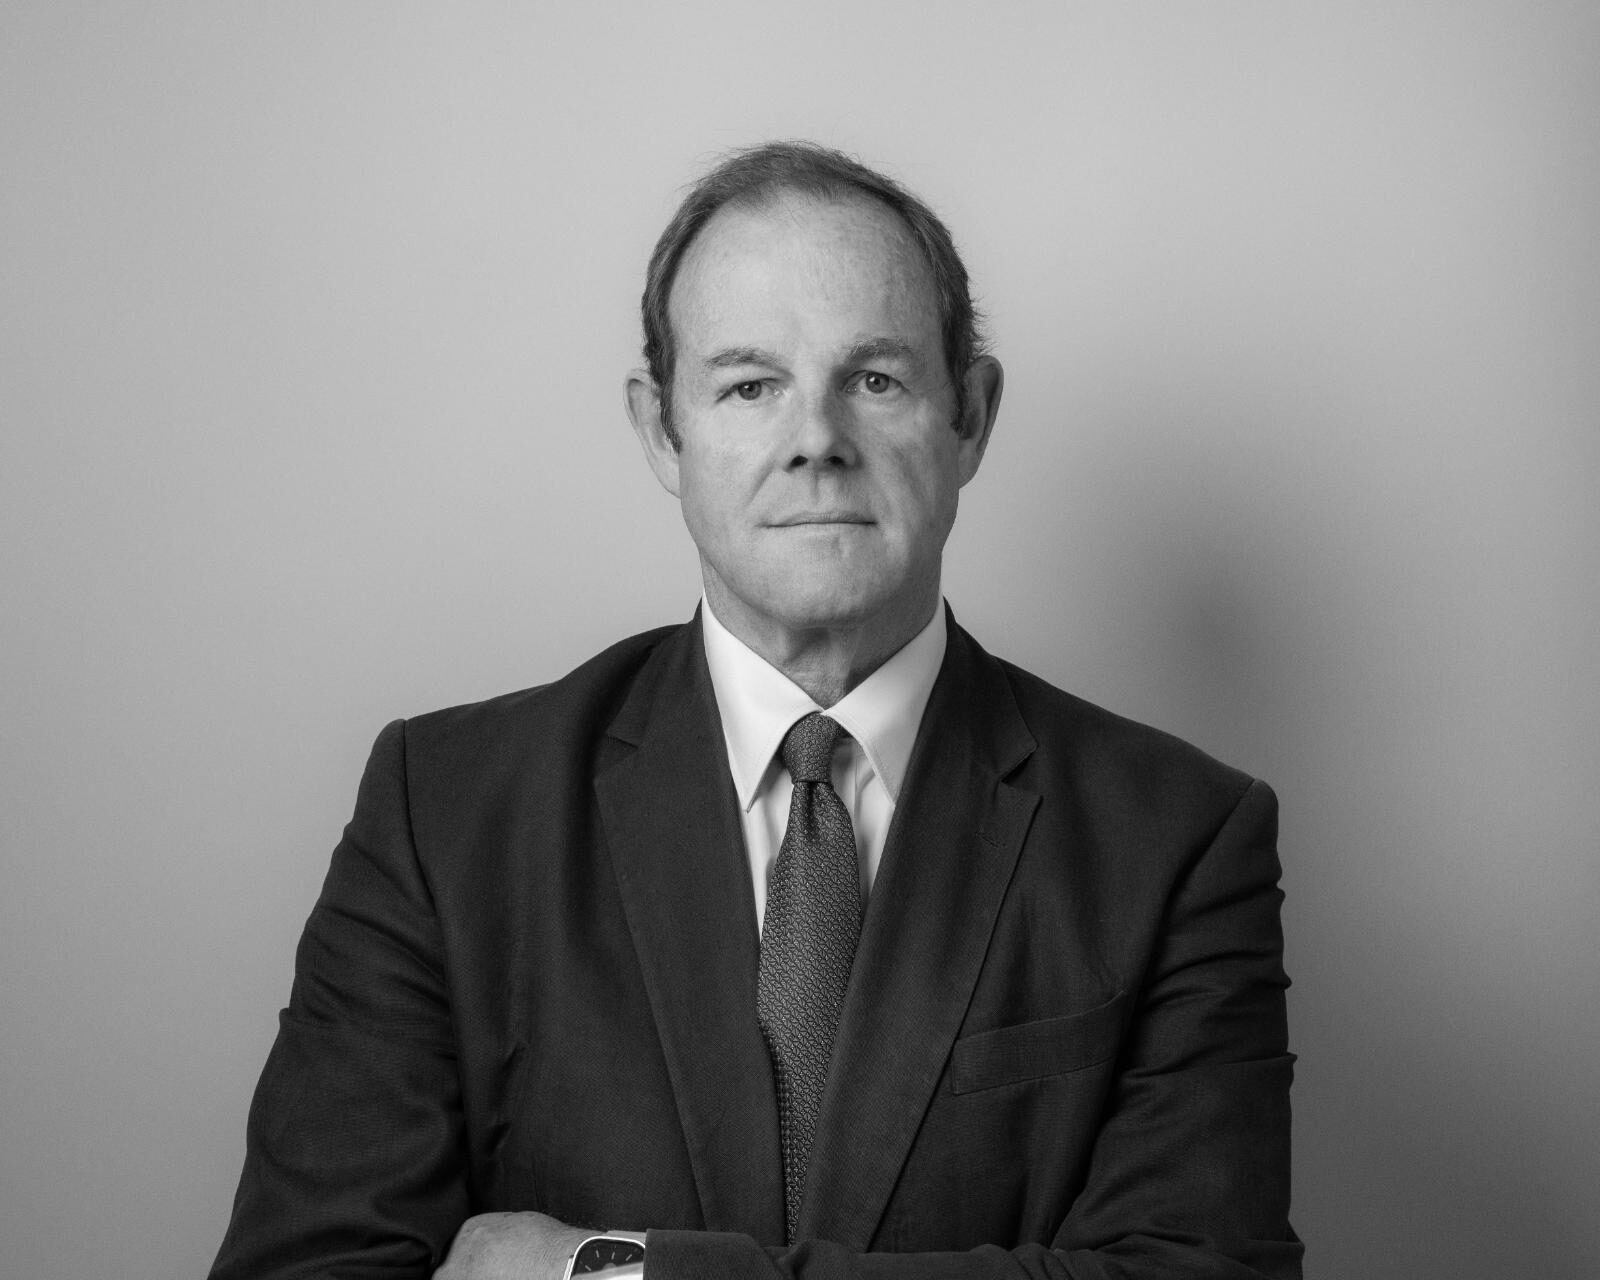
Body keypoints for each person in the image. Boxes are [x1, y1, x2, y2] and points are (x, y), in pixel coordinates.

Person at [210, 141, 1301, 1280]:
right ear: (661, 431)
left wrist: (620, 1275)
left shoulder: (1178, 839)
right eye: (748, 385)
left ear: (970, 417)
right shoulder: (444, 812)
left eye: (874, 379)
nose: (816, 440)